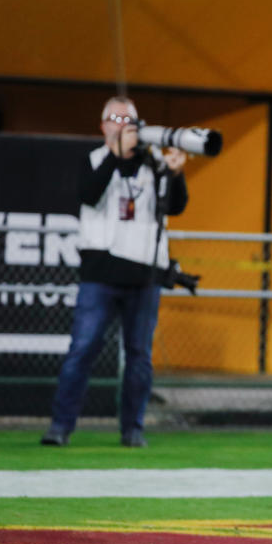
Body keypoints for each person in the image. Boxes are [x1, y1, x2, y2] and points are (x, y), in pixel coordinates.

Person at [40, 97, 189, 448]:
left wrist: (176, 173)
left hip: (143, 276)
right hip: (100, 275)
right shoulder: (92, 160)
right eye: (115, 118)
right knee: (83, 349)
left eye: (129, 119)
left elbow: (176, 206)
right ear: (102, 125)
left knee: (139, 355)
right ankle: (60, 427)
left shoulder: (153, 164)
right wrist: (116, 154)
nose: (122, 124)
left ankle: (133, 429)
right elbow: (89, 194)